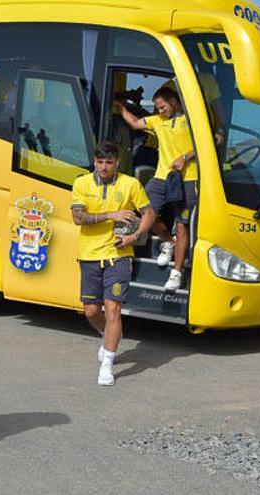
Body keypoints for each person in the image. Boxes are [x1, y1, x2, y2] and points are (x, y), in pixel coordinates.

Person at [71, 141, 153, 386]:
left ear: (117, 162)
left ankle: (107, 365)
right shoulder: (81, 183)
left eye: (108, 162)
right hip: (89, 254)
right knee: (92, 311)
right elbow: (78, 218)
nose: (104, 167)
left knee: (113, 308)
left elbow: (149, 212)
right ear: (94, 162)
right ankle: (107, 334)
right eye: (100, 162)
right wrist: (112, 215)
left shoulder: (131, 184)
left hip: (118, 256)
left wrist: (134, 236)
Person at [114, 86, 197, 291]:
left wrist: (184, 157)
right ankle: (168, 241)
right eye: (158, 108)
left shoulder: (192, 121)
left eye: (162, 107)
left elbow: (210, 142)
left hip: (188, 179)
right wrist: (120, 106)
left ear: (174, 101)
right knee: (147, 212)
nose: (160, 111)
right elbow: (134, 123)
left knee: (181, 223)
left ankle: (176, 273)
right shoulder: (157, 121)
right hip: (161, 178)